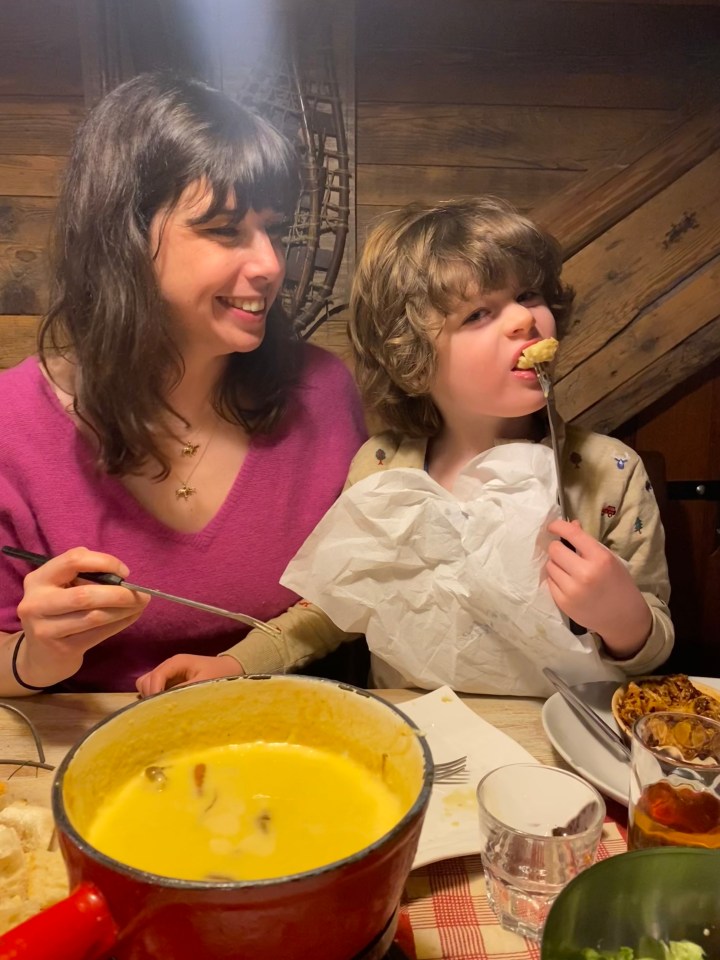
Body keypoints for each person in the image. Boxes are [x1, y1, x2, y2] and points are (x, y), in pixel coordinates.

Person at [140, 196, 673, 697]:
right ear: (413, 354)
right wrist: (233, 664)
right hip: (411, 736)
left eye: (528, 294)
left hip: (555, 741)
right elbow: (333, 609)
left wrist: (624, 618)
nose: (523, 320)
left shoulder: (612, 472)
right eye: (478, 315)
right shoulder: (381, 468)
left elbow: (651, 652)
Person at [0, 72, 366, 697]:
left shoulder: (324, 393)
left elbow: (355, 602)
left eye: (275, 230)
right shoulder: (13, 425)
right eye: (226, 230)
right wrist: (35, 657)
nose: (271, 264)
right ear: (124, 238)